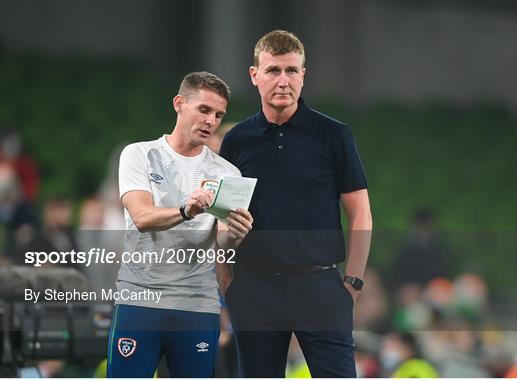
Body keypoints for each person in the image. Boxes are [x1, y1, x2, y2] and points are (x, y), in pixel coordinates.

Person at [219, 30, 372, 377]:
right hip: (255, 290)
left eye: (292, 70)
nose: (283, 80)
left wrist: (353, 284)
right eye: (273, 70)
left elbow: (361, 214)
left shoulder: (334, 135)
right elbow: (221, 220)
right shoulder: (237, 140)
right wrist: (228, 283)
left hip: (321, 287)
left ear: (304, 75)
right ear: (254, 75)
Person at [106, 72, 253, 378]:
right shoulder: (140, 154)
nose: (211, 120)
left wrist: (236, 234)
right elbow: (142, 217)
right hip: (141, 298)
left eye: (218, 115)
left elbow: (221, 245)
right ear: (179, 104)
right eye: (204, 110)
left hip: (198, 305)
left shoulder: (228, 172)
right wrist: (187, 210)